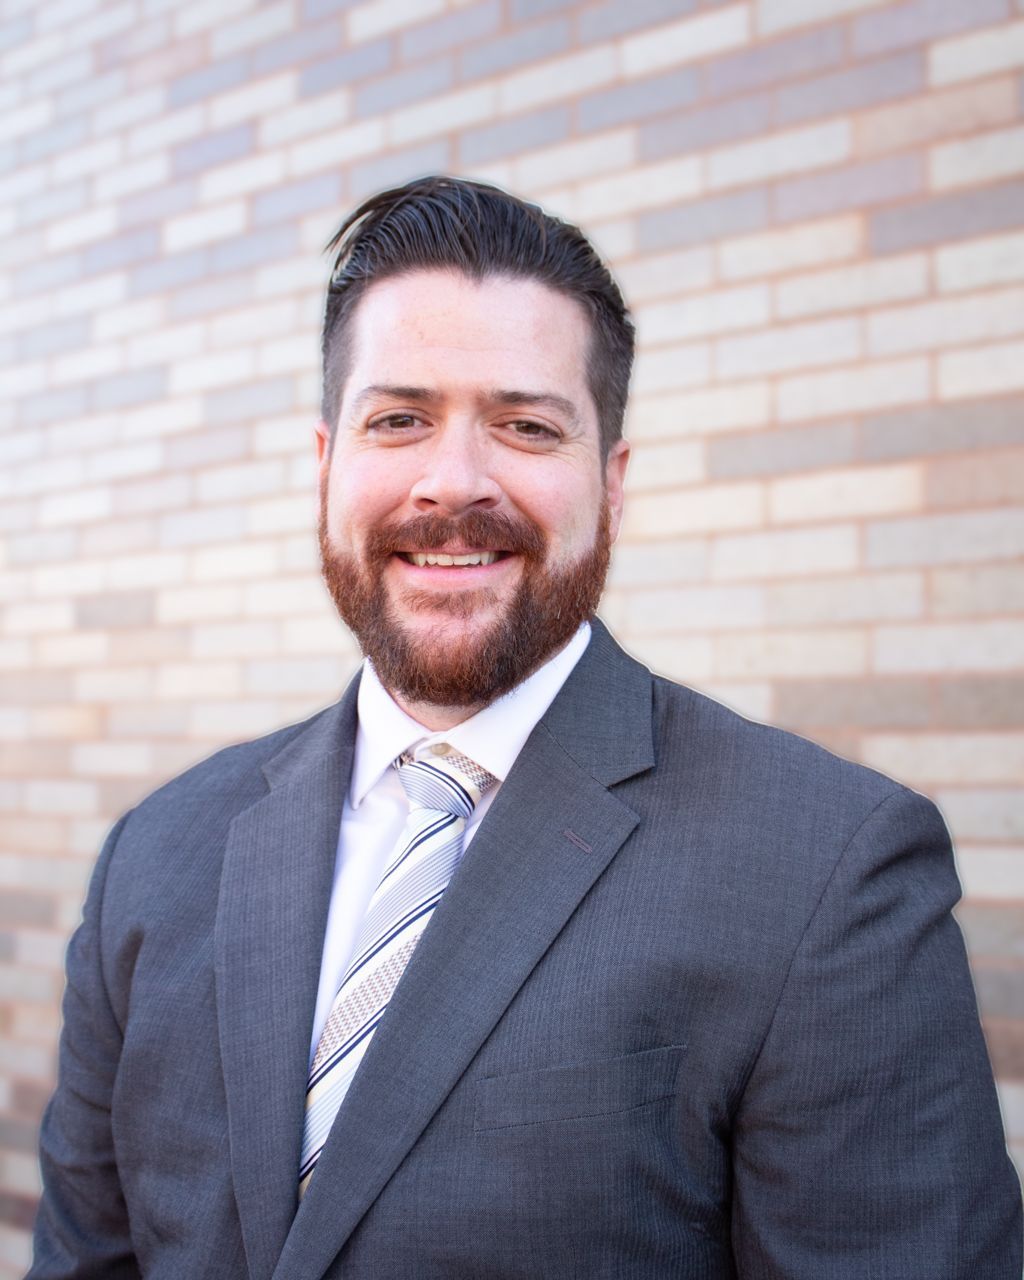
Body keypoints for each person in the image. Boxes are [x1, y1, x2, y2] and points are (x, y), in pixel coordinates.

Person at [32, 176, 1021, 1279]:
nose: (452, 483)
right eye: (398, 420)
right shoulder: (157, 854)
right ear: (325, 466)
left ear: (612, 484)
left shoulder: (827, 869)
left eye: (526, 426)